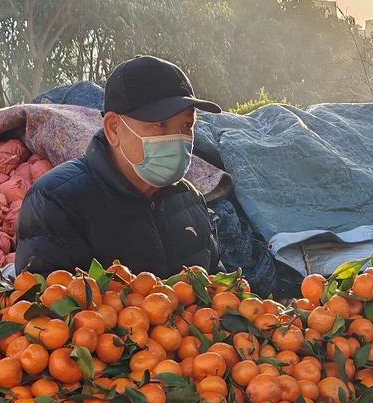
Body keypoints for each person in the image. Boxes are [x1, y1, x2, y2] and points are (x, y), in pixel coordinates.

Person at [15, 56, 220, 278]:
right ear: (113, 128)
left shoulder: (189, 198)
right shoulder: (57, 201)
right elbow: (49, 302)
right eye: (160, 124)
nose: (177, 138)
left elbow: (217, 291)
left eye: (186, 125)